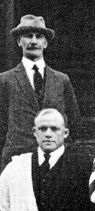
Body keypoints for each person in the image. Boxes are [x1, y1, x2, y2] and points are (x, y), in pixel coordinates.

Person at [0, 14, 80, 169]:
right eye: (28, 36)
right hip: (17, 160)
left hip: (55, 162)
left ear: (45, 43)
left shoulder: (62, 80)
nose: (33, 41)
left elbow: (74, 122)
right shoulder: (4, 80)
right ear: (19, 41)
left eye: (39, 36)